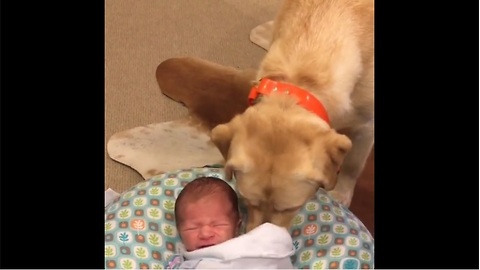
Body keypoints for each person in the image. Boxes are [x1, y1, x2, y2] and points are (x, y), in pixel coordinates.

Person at [166, 176, 295, 269]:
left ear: (236, 227)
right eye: (192, 228)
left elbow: (276, 242)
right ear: (179, 231)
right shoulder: (180, 263)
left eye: (217, 225)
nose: (205, 233)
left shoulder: (253, 247)